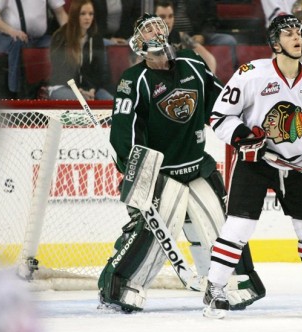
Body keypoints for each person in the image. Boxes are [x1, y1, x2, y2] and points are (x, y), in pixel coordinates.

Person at [97, 13, 265, 313]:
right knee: (152, 236)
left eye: (157, 25)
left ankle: (233, 283)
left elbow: (221, 102)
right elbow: (124, 133)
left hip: (197, 164)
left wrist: (243, 129)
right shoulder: (134, 80)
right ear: (138, 41)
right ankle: (118, 285)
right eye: (146, 28)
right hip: (161, 175)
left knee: (224, 227)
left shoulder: (191, 61)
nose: (154, 30)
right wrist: (134, 172)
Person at [202, 14, 302, 319]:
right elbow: (219, 117)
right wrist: (244, 136)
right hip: (255, 163)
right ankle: (215, 288)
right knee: (239, 227)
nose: (297, 37)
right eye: (288, 34)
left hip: (297, 164)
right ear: (275, 43)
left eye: (299, 32)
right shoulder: (251, 75)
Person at [0, 0, 68, 98]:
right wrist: (12, 31)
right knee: (17, 47)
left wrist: (71, 35)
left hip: (39, 39)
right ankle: (15, 94)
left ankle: (58, 88)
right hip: (10, 37)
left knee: (60, 46)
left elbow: (61, 14)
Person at [48, 0, 113, 100]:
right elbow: (60, 72)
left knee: (113, 104)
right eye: (83, 14)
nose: (87, 17)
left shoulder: (96, 38)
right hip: (62, 86)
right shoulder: (60, 36)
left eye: (91, 14)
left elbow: (99, 72)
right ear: (74, 15)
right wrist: (78, 90)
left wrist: (92, 89)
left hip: (88, 89)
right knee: (82, 102)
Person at [153, 0, 217, 74]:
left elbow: (209, 59)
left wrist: (209, 80)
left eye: (170, 16)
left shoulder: (180, 36)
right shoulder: (143, 40)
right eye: (162, 17)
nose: (167, 21)